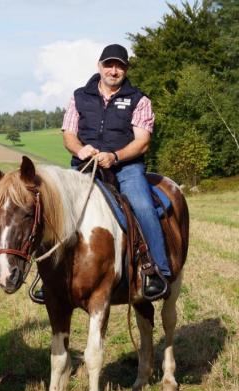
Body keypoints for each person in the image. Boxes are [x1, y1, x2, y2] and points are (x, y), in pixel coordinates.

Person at [62, 43, 170, 298]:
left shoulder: (139, 100)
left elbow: (142, 141)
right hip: (85, 166)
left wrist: (115, 156)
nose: (114, 70)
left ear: (126, 69)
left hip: (126, 167)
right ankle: (49, 276)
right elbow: (69, 135)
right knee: (57, 205)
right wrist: (80, 151)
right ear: (99, 66)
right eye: (109, 65)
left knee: (143, 206)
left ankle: (158, 271)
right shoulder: (78, 96)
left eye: (119, 66)